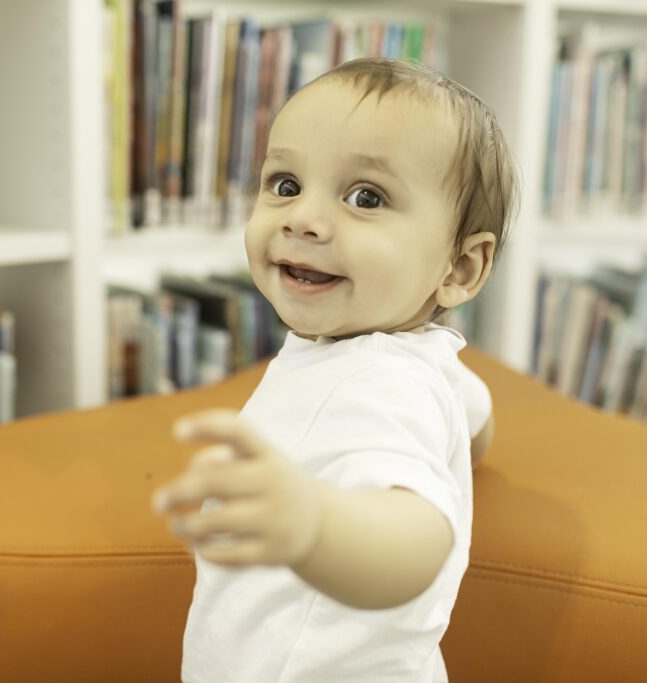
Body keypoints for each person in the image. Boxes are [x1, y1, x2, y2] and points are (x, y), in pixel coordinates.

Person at [150, 56, 518, 682]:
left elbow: (420, 539)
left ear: (458, 269)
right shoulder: (424, 358)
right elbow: (474, 412)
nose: (301, 218)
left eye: (364, 197)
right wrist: (469, 444)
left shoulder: (377, 387)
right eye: (285, 184)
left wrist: (312, 524)